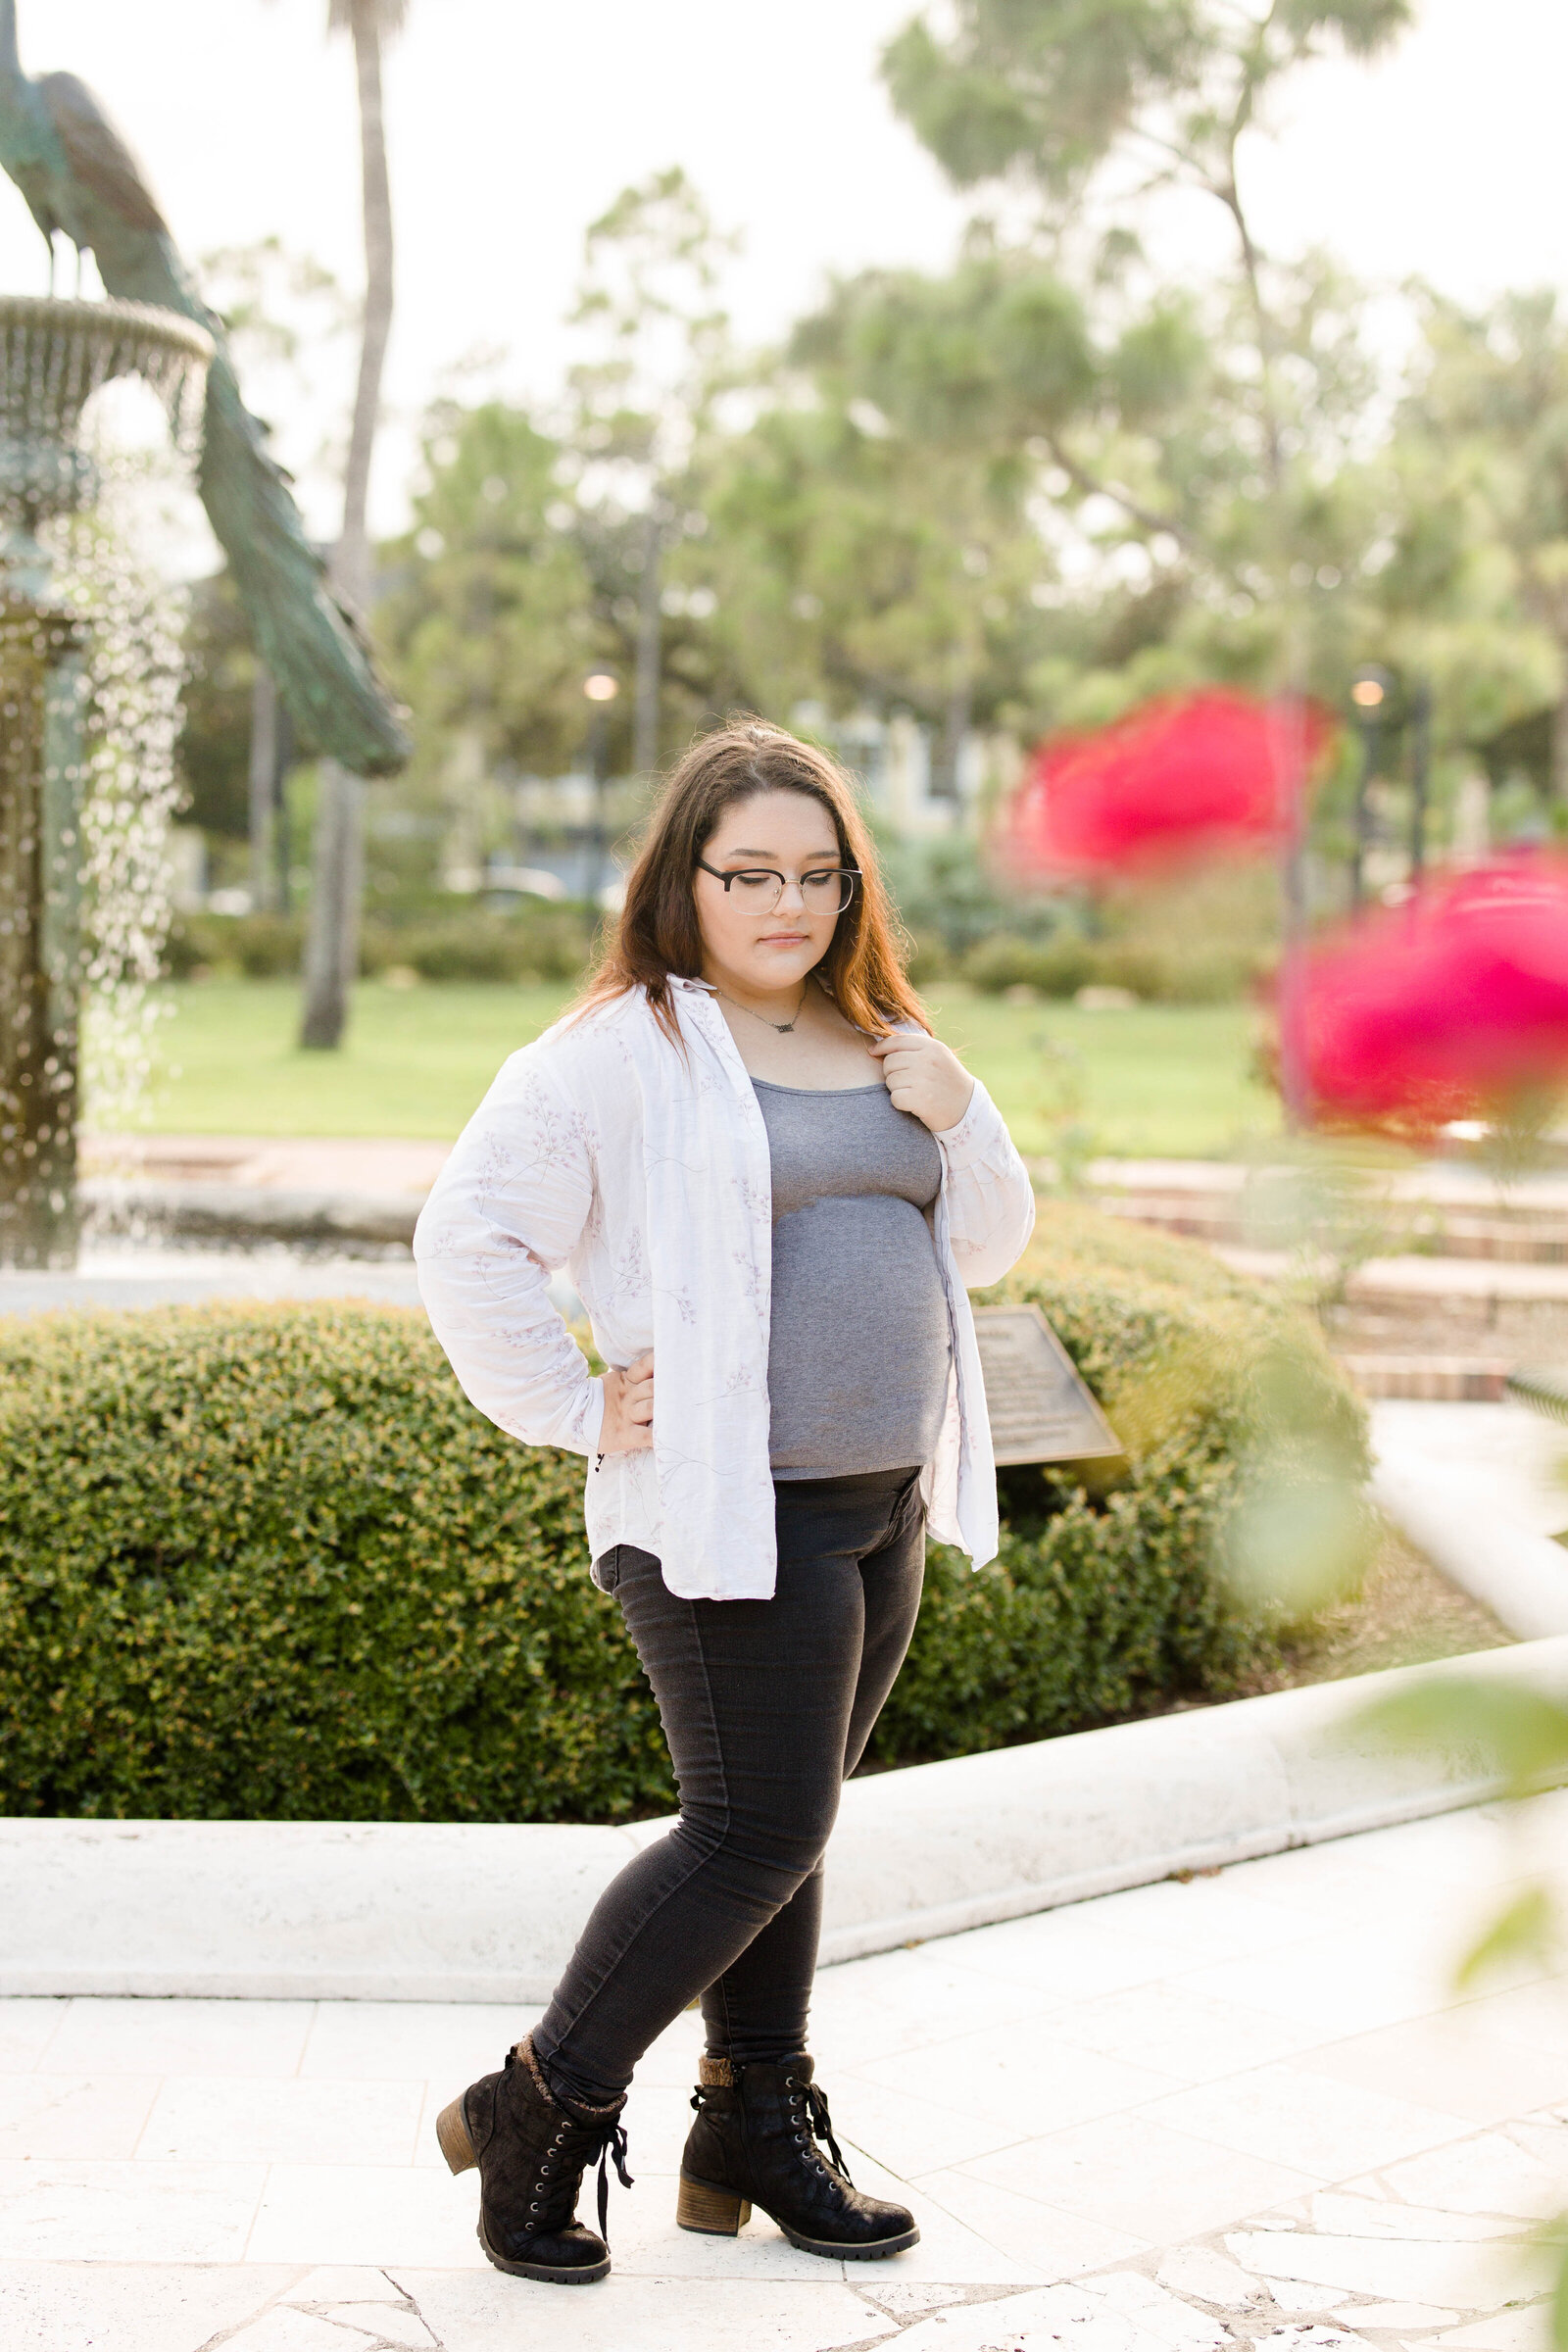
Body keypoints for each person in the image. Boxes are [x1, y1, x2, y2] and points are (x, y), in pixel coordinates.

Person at [414, 718, 1035, 2286]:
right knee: (757, 1822)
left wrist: (960, 1108)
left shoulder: (885, 1033)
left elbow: (991, 1241)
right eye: (749, 872)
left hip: (876, 1499)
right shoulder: (618, 1054)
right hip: (722, 1509)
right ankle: (537, 2105)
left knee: (795, 1825)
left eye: (820, 874)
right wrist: (571, 1405)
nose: (789, 903)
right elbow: (467, 1237)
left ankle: (753, 2118)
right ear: (681, 878)